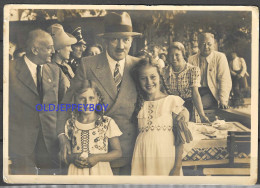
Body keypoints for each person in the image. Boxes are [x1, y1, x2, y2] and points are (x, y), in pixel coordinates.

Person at [57, 11, 142, 175]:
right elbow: (66, 104)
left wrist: (179, 110)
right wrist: (62, 136)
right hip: (90, 156)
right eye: (114, 39)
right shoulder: (87, 65)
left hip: (129, 151)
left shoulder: (139, 66)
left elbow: (158, 97)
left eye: (125, 39)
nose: (120, 45)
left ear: (131, 40)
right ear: (105, 41)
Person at [9, 29, 67, 175]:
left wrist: (62, 136)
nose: (53, 51)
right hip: (20, 144)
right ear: (35, 50)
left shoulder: (56, 71)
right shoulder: (9, 70)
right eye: (49, 47)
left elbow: (63, 106)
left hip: (50, 143)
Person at [130, 58, 189, 175]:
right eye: (143, 78)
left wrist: (177, 167)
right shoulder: (138, 104)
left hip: (166, 158)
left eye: (153, 77)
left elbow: (180, 139)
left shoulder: (172, 101)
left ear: (160, 78)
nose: (148, 82)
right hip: (142, 157)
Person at [64, 80, 122, 175]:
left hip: (100, 171)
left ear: (97, 99)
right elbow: (64, 155)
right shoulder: (70, 123)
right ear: (75, 100)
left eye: (91, 98)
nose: (87, 103)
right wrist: (74, 158)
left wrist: (97, 158)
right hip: (77, 172)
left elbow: (118, 152)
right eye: (82, 99)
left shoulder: (106, 122)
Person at [163, 42, 210, 123]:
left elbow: (195, 94)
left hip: (189, 107)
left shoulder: (193, 70)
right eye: (171, 55)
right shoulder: (164, 71)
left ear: (183, 54)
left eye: (177, 55)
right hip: (172, 108)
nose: (174, 58)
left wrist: (202, 115)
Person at [188, 33, 232, 109]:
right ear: (198, 44)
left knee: (196, 106)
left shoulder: (220, 57)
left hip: (212, 92)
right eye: (203, 44)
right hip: (195, 92)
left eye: (209, 44)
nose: (206, 47)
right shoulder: (191, 59)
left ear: (214, 45)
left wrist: (223, 100)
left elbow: (224, 79)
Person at [47, 23, 77, 88]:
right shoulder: (49, 70)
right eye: (68, 46)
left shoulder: (67, 67)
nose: (71, 50)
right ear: (58, 49)